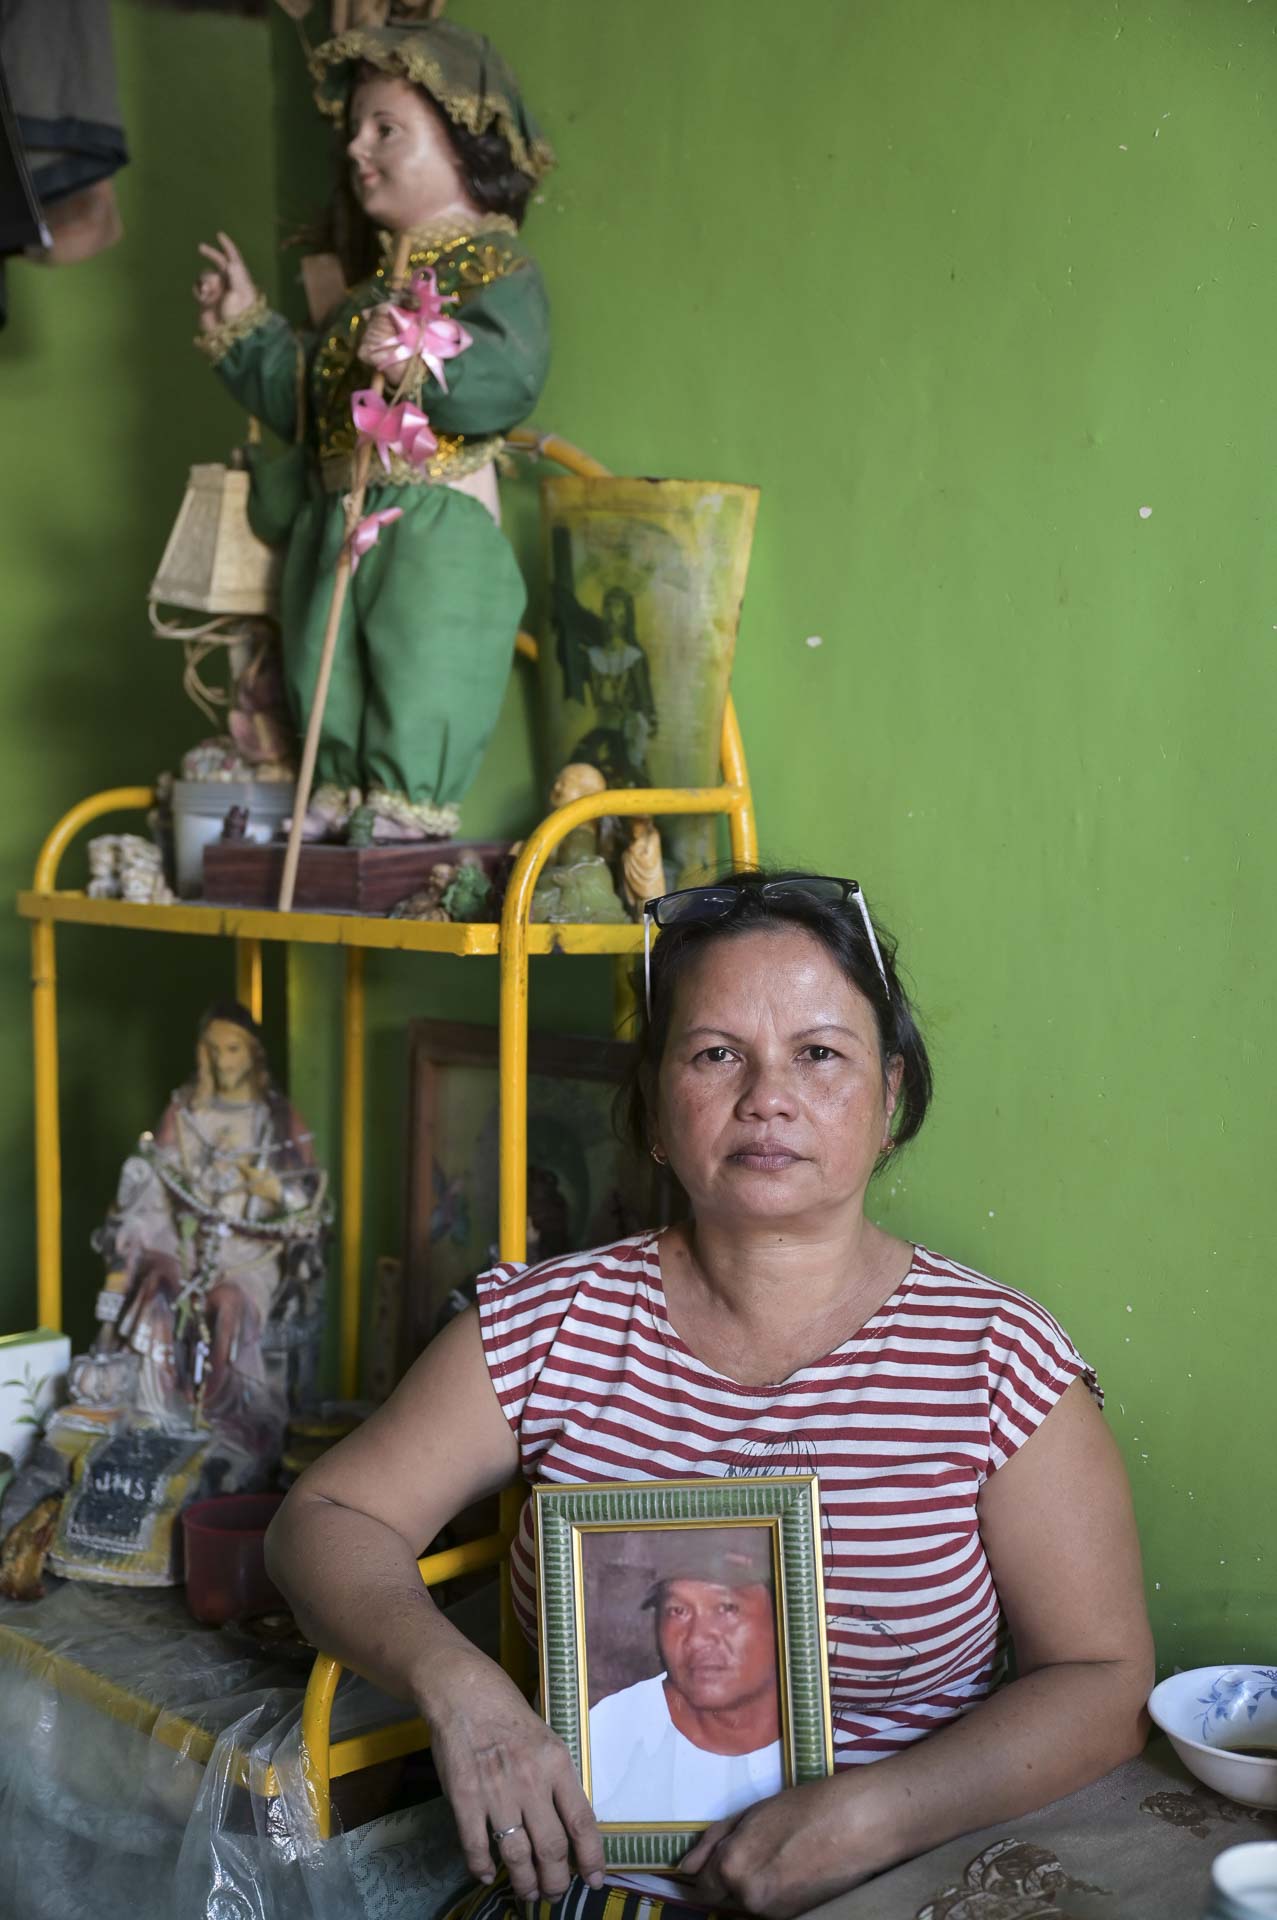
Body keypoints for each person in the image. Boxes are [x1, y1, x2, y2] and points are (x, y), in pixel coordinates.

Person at [266, 869, 1153, 1920]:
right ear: (652, 1107)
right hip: (593, 1891)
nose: (766, 1096)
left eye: (818, 1054)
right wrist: (463, 1692)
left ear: (890, 1100)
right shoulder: (549, 1328)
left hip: (892, 1892)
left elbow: (1102, 1678)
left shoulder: (994, 1358)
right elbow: (325, 1517)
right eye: (715, 1053)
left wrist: (874, 1816)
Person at [192, 21, 554, 843]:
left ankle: (406, 799)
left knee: (422, 647)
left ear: (463, 138)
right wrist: (245, 329)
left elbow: (508, 376)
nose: (358, 147)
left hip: (432, 515)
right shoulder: (364, 296)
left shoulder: (496, 271)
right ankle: (338, 785)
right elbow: (309, 401)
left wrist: (424, 358)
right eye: (355, 130)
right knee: (325, 655)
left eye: (386, 128)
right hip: (339, 513)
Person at [88, 1002, 328, 1469]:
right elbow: (156, 1192)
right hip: (185, 1244)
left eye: (233, 1049)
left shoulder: (277, 1120)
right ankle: (156, 1413)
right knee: (158, 1287)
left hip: (249, 1252)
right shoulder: (184, 1112)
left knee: (228, 1303)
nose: (223, 1061)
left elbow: (310, 1208)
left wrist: (273, 1190)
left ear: (253, 1053)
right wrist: (137, 1230)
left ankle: (229, 1426)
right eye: (214, 1050)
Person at [588, 1532, 782, 1824]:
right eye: (677, 1611)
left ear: (782, 1617)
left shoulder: (821, 1730)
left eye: (726, 1608)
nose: (696, 1639)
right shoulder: (610, 1732)